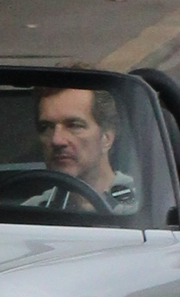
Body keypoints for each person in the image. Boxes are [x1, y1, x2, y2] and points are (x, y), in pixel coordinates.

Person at [34, 82, 137, 211]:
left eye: (74, 125)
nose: (56, 140)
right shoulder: (30, 213)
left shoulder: (145, 209)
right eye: (46, 128)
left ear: (106, 138)